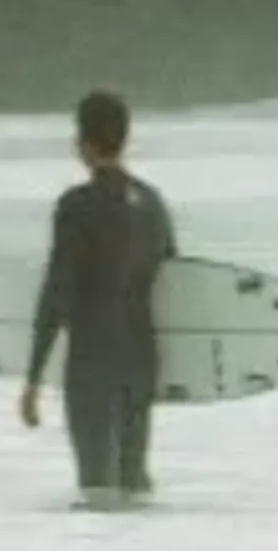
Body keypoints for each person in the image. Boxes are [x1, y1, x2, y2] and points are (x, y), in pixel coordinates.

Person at [19, 88, 175, 506]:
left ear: (83, 144)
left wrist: (33, 378)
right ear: (124, 139)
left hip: (94, 363)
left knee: (96, 492)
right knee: (135, 486)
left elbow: (58, 290)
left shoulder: (78, 206)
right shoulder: (152, 204)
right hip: (142, 361)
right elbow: (173, 287)